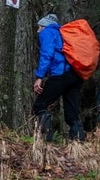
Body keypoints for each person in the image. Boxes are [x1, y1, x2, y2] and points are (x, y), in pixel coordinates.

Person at [33, 13, 84, 141]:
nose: (38, 30)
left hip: (60, 75)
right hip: (75, 75)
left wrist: (40, 77)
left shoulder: (48, 33)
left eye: (39, 27)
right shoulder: (63, 33)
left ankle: (46, 142)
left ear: (45, 26)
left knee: (40, 105)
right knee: (72, 115)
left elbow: (47, 54)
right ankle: (79, 146)